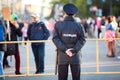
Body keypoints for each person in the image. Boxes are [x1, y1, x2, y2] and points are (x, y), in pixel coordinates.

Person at [52, 3, 86, 80]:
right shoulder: (79, 25)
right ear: (74, 14)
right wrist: (74, 50)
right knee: (76, 78)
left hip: (62, 55)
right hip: (75, 56)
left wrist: (65, 49)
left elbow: (55, 38)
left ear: (65, 13)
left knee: (62, 78)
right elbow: (82, 39)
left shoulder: (58, 25)